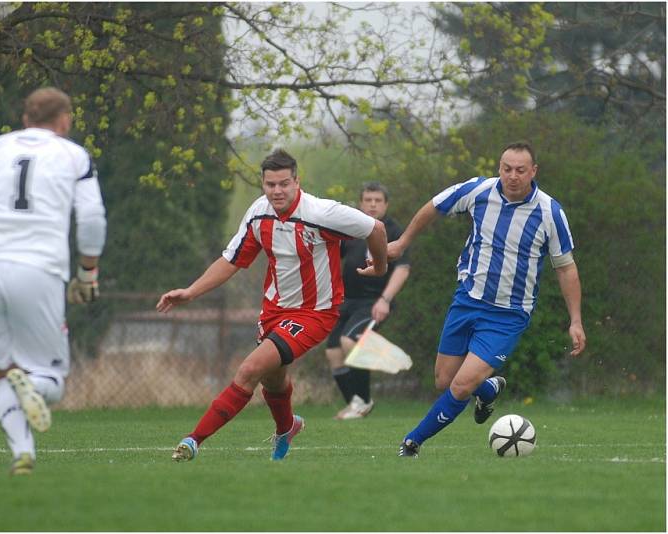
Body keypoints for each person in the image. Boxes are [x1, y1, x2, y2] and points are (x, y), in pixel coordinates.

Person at [157, 148, 388, 462]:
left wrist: (379, 265)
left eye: (283, 184)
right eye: (270, 185)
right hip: (274, 311)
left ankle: (192, 441)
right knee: (273, 380)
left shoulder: (321, 212)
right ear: (263, 184)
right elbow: (232, 260)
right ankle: (288, 428)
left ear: (297, 182)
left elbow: (376, 229)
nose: (277, 191)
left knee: (250, 369)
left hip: (315, 313)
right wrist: (191, 292)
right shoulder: (258, 213)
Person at [360, 141, 586, 457]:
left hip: (508, 315)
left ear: (533, 171)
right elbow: (434, 206)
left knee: (460, 387)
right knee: (444, 379)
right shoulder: (478, 191)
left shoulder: (550, 212)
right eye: (507, 168)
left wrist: (575, 320)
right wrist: (401, 243)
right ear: (499, 168)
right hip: (468, 300)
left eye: (521, 170)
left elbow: (565, 268)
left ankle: (412, 442)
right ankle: (489, 388)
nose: (513, 175)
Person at [0, 87, 107, 474]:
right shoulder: (73, 155)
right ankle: (33, 390)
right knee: (50, 379)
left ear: (25, 120)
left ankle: (22, 455)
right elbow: (93, 220)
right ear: (65, 121)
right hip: (38, 271)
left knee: (3, 371)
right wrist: (87, 273)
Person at [325, 182, 410, 419]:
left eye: (378, 200)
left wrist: (384, 299)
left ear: (386, 204)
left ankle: (364, 402)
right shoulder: (352, 230)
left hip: (373, 302)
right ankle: (355, 404)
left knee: (350, 341)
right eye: (368, 200)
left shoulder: (392, 231)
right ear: (360, 203)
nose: (372, 204)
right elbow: (333, 258)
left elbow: (402, 269)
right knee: (333, 353)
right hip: (347, 301)